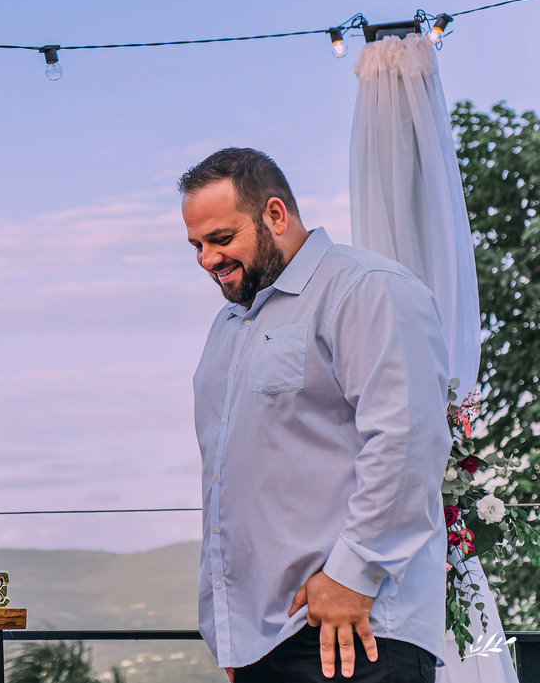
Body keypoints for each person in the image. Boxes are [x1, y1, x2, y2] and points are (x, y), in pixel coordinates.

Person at [179, 148, 450, 682]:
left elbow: (407, 440)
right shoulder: (228, 327)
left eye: (221, 239)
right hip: (265, 642)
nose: (206, 259)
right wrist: (237, 638)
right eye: (196, 245)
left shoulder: (366, 288)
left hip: (356, 631)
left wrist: (353, 576)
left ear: (276, 215)